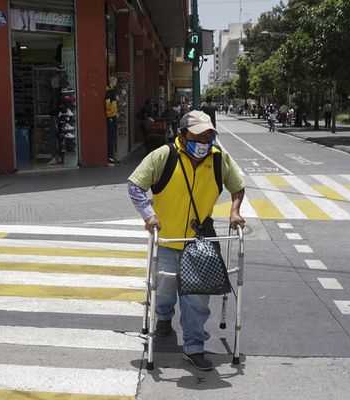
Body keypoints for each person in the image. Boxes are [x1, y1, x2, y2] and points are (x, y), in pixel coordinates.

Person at [127, 110, 246, 371]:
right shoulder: (164, 156)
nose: (204, 141)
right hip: (168, 238)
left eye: (208, 135)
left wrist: (234, 211)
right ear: (181, 134)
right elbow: (135, 186)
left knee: (196, 298)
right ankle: (163, 318)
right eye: (198, 135)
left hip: (199, 242)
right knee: (165, 291)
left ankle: (194, 346)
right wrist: (148, 215)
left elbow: (237, 185)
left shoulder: (218, 159)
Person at [105, 76, 120, 164]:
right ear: (112, 81)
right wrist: (112, 112)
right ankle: (110, 156)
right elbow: (108, 104)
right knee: (111, 136)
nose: (116, 83)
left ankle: (111, 155)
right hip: (110, 116)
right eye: (115, 81)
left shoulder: (111, 91)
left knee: (113, 136)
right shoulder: (109, 91)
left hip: (113, 115)